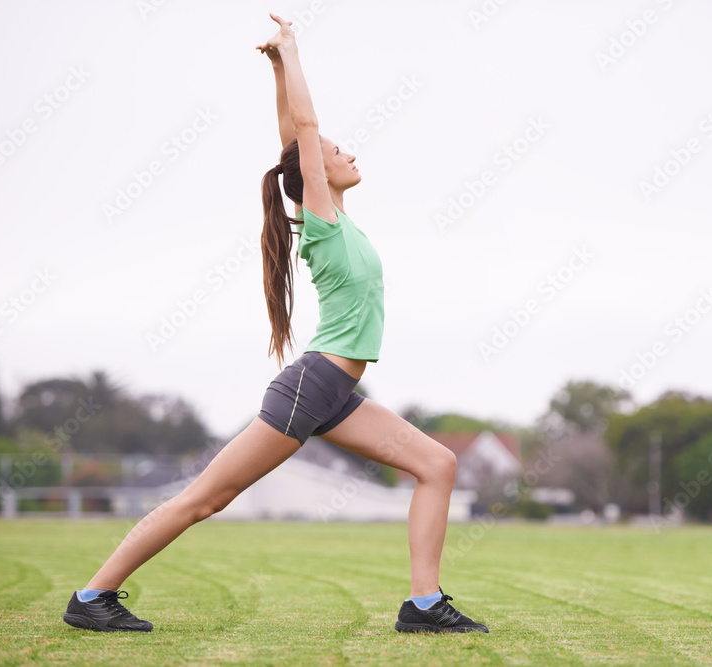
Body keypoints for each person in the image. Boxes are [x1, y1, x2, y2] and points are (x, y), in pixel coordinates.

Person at [61, 13, 488, 635]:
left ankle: (424, 605)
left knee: (437, 465)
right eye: (336, 152)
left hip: (336, 392)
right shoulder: (322, 219)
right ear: (317, 174)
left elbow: (292, 138)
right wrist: (295, 50)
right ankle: (93, 594)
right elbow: (306, 134)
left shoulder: (333, 214)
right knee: (205, 499)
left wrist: (277, 70)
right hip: (311, 388)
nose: (345, 153)